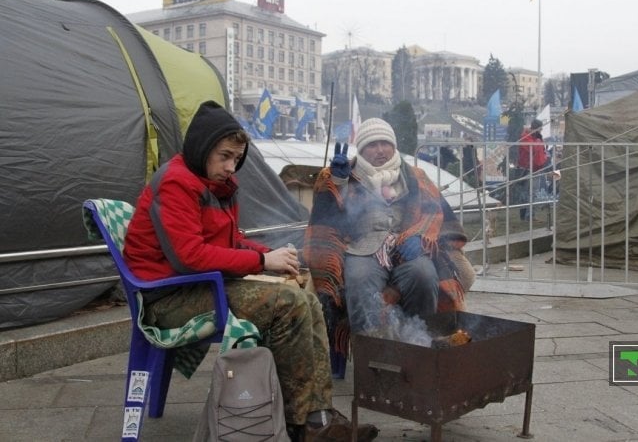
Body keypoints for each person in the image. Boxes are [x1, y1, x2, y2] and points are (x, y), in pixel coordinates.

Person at [122, 101, 378, 442]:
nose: (231, 167)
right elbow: (189, 257)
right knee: (287, 304)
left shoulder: (211, 183)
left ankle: (317, 416)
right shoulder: (177, 183)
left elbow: (230, 241)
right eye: (224, 156)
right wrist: (262, 263)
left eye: (236, 159)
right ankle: (304, 423)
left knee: (306, 298)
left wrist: (271, 254)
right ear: (202, 149)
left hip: (195, 286)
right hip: (167, 298)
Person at [303, 118, 473, 356]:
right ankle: (372, 355)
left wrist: (421, 235)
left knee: (423, 275)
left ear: (394, 147)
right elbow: (329, 219)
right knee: (360, 281)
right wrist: (339, 183)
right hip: (362, 248)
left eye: (385, 143)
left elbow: (436, 212)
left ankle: (419, 347)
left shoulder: (415, 175)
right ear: (361, 149)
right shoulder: (344, 174)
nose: (380, 150)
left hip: (408, 246)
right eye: (372, 144)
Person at [516, 118, 551, 221]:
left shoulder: (534, 138)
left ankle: (529, 215)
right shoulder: (525, 137)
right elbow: (534, 149)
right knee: (527, 193)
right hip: (526, 169)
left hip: (536, 168)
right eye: (540, 129)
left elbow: (541, 151)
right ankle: (527, 215)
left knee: (532, 192)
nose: (541, 131)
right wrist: (539, 140)